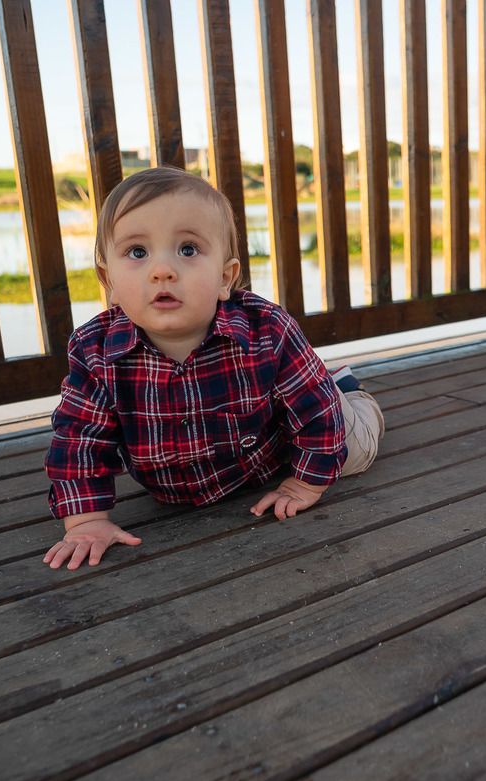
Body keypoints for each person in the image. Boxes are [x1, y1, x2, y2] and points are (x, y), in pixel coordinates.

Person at [43, 166, 383, 570]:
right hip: (179, 487)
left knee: (352, 449)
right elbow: (80, 441)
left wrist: (303, 482)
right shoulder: (95, 350)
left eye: (187, 250)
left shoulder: (266, 329)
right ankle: (328, 378)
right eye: (138, 252)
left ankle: (350, 394)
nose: (162, 270)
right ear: (109, 282)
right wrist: (86, 521)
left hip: (279, 454)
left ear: (225, 278)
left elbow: (317, 415)